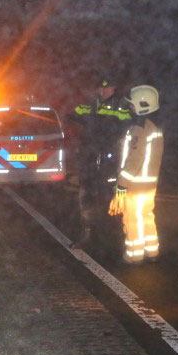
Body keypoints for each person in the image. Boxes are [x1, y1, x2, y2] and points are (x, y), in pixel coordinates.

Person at [69, 79, 132, 244]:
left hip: (109, 159)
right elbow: (72, 115)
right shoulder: (91, 104)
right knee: (86, 196)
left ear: (114, 88)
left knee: (110, 196)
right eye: (101, 88)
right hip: (89, 157)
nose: (104, 91)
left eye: (108, 88)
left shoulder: (121, 106)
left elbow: (127, 126)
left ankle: (114, 233)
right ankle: (88, 232)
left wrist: (107, 135)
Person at [108, 85, 164, 263]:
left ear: (141, 106)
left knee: (132, 219)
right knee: (146, 216)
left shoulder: (139, 129)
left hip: (136, 185)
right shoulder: (153, 127)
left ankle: (135, 255)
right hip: (148, 184)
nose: (129, 108)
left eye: (132, 105)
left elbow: (134, 160)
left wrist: (122, 185)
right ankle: (152, 251)